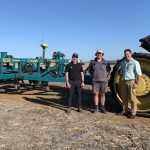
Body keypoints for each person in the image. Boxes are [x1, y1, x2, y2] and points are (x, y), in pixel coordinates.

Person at [119, 49, 142, 119]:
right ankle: (124, 111)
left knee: (132, 98)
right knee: (124, 97)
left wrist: (136, 83)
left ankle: (133, 113)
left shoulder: (135, 62)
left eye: (128, 54)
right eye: (125, 54)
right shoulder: (123, 63)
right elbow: (121, 73)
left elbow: (139, 75)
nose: (126, 55)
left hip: (131, 82)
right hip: (124, 81)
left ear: (131, 54)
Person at [88, 49, 111, 113]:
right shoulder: (92, 62)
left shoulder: (106, 62)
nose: (99, 55)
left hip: (104, 81)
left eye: (100, 54)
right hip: (95, 80)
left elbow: (109, 70)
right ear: (96, 54)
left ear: (102, 55)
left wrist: (106, 75)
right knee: (96, 94)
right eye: (98, 53)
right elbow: (89, 70)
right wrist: (93, 75)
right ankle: (96, 108)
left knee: (103, 94)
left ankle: (102, 107)